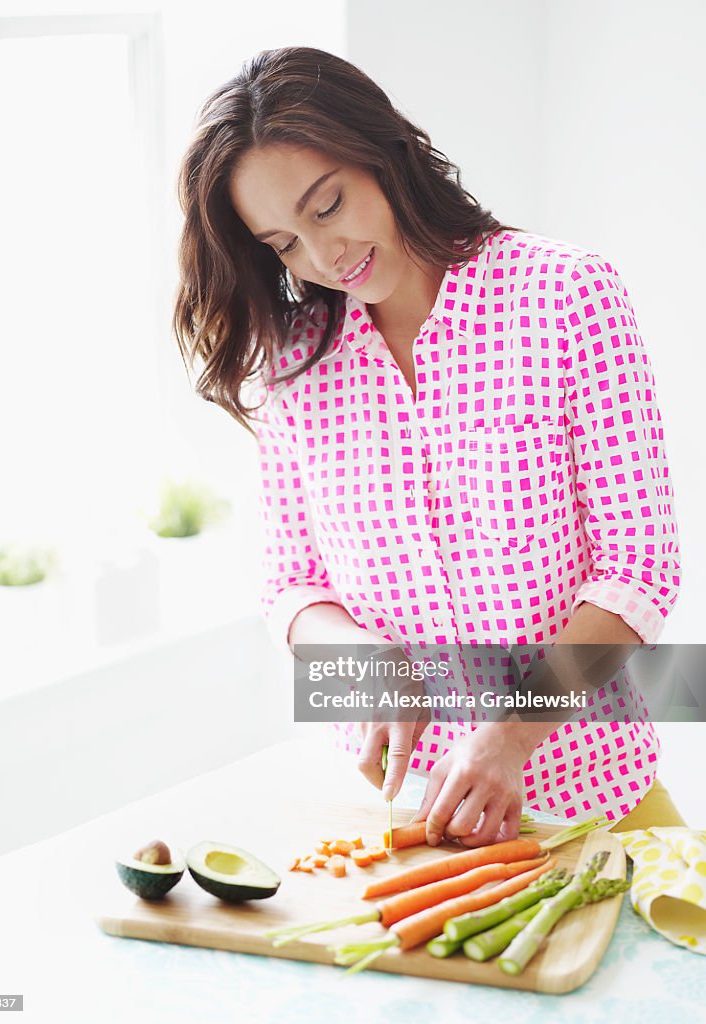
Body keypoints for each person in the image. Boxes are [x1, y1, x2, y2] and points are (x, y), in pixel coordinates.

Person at [173, 46, 686, 842]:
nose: (323, 258)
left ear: (384, 154)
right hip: (399, 819)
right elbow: (290, 587)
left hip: (594, 803)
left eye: (329, 205)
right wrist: (360, 661)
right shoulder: (292, 366)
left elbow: (640, 571)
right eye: (282, 244)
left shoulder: (566, 297)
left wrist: (514, 731)